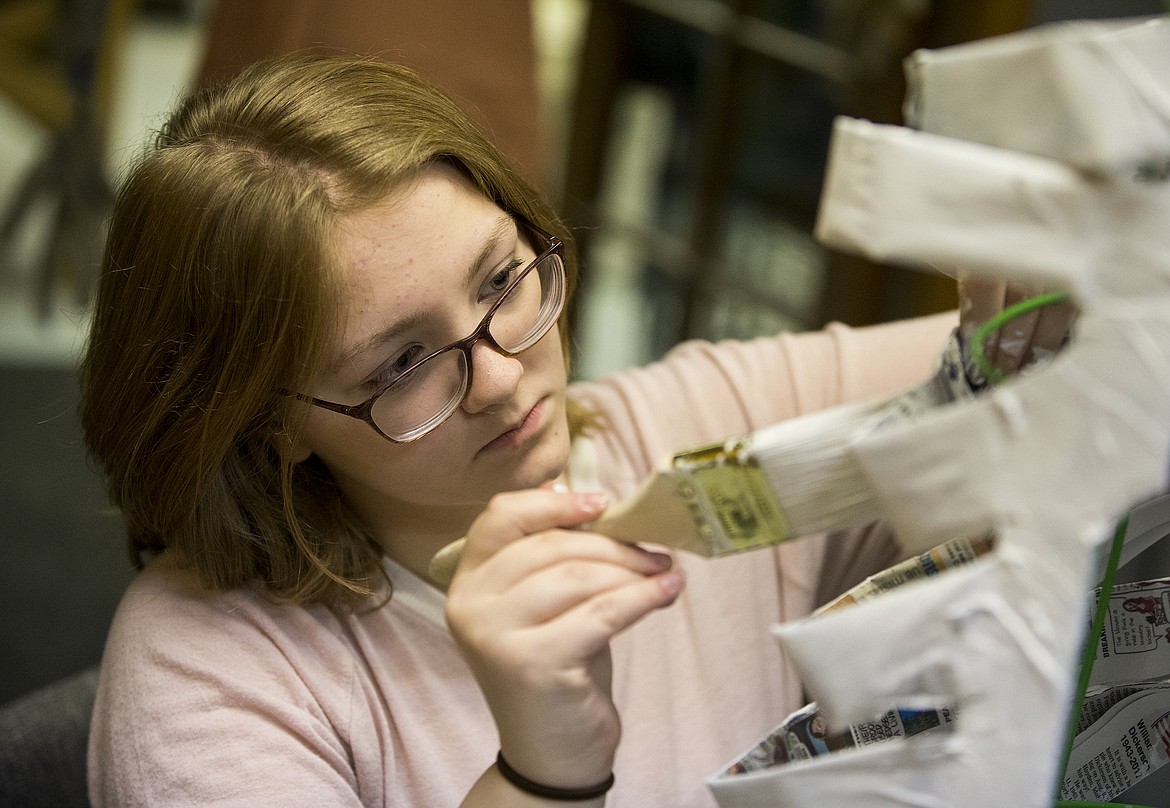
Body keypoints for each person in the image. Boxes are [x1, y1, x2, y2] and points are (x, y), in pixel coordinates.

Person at [79, 55, 1066, 807]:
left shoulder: (692, 420)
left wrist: (1058, 296)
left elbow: (1057, 349)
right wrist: (541, 772)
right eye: (403, 364)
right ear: (269, 425)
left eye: (503, 280)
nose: (506, 380)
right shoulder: (199, 674)